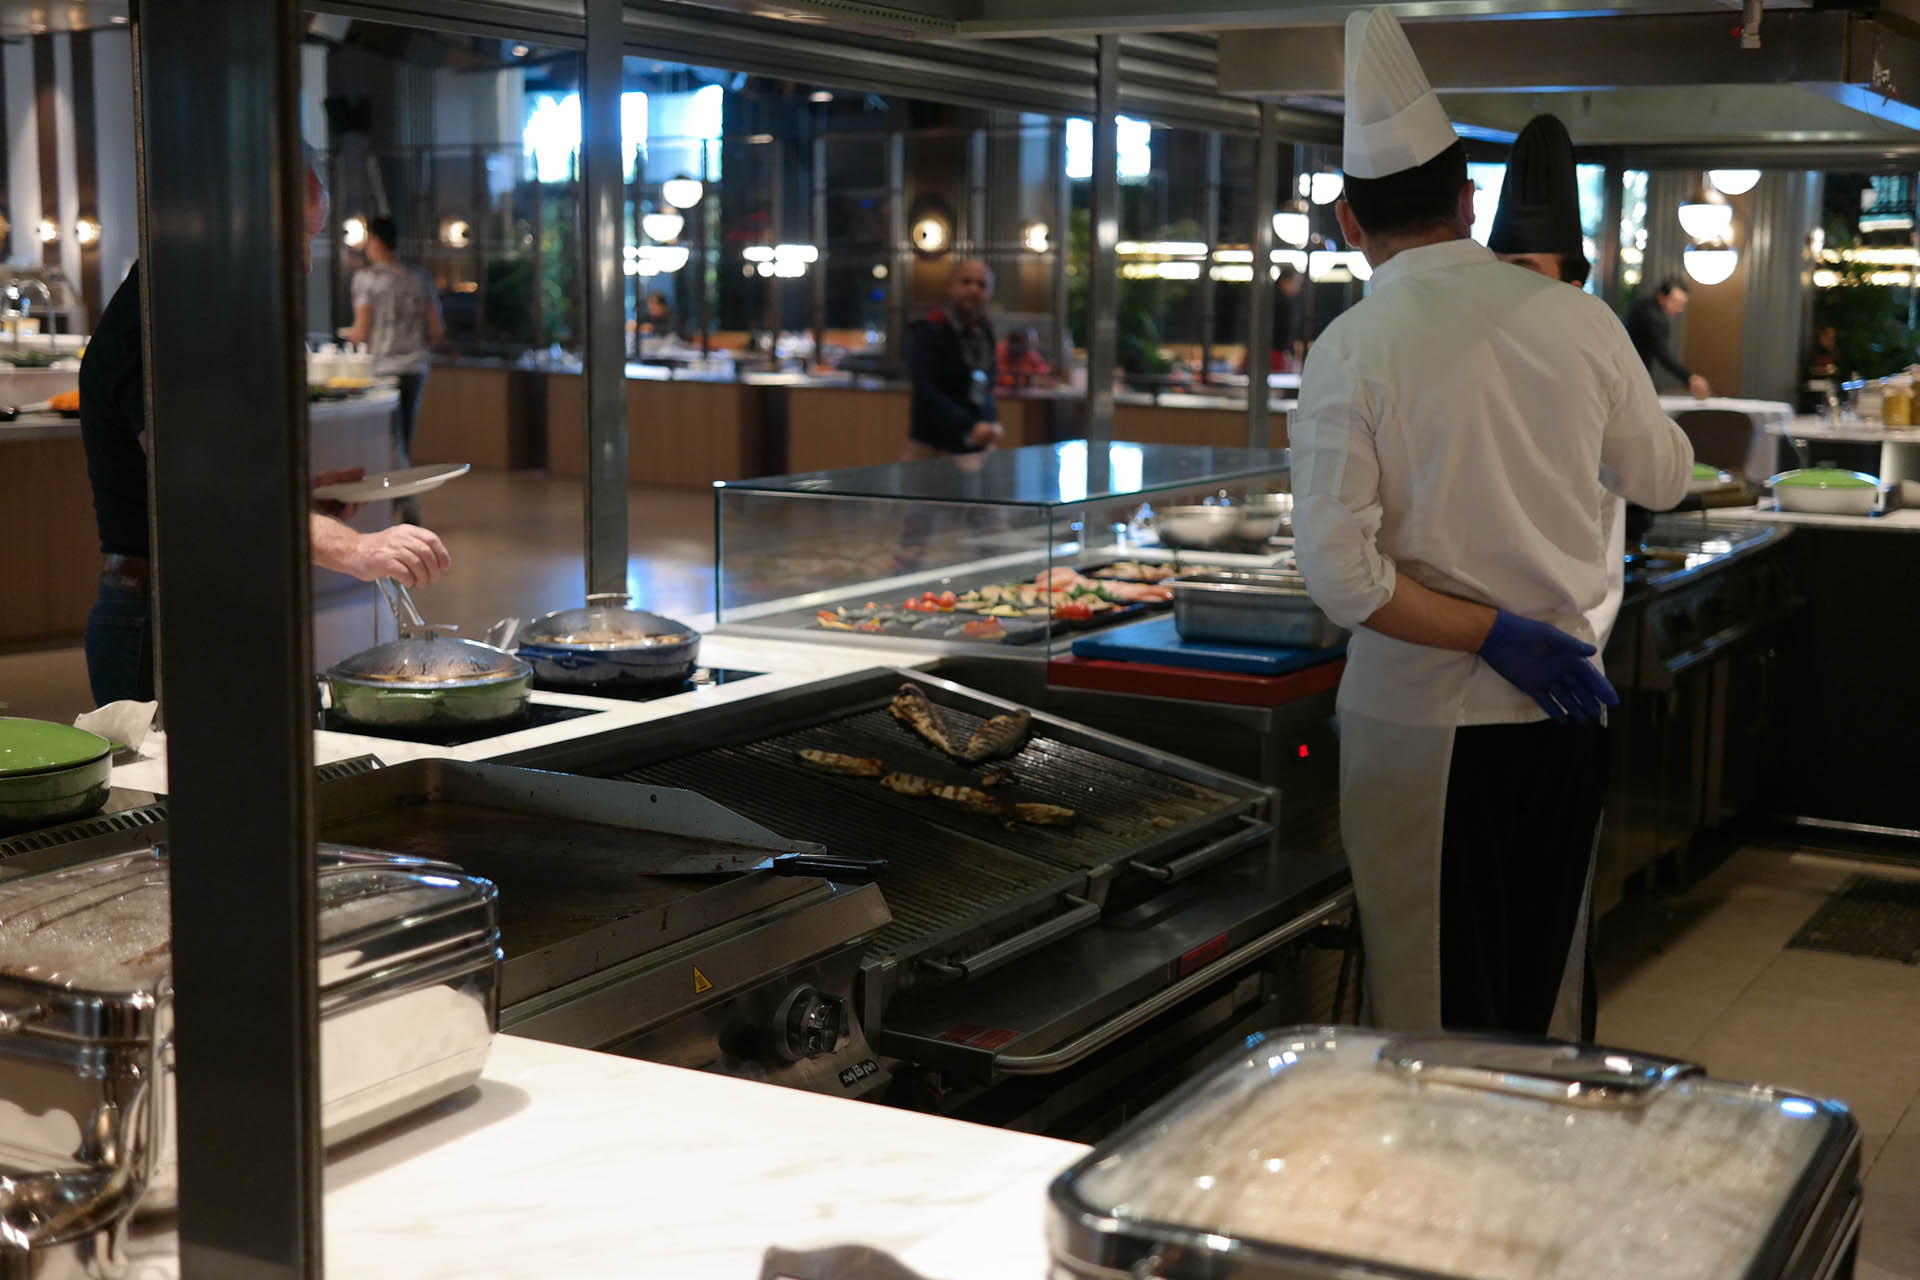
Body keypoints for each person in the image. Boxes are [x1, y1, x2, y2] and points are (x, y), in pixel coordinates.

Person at [1289, 9, 1693, 1038]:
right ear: (1469, 200)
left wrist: (1483, 632)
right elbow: (1664, 476)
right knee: (1543, 990)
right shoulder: (1583, 318)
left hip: (1419, 724)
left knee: (1430, 1008)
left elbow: (1342, 578)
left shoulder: (1352, 347)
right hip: (1565, 704)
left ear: (1349, 224)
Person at [80, 155, 451, 707]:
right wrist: (354, 548)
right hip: (160, 615)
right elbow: (213, 492)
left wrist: (298, 499)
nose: (304, 264)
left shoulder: (195, 318)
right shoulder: (156, 327)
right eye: (295, 237)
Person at [1487, 112, 1619, 1041]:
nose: (1514, 294)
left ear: (1576, 280)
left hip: (1569, 676)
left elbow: (1643, 488)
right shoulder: (1468, 355)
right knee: (1484, 943)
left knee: (1549, 936)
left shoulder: (1595, 351)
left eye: (1529, 272)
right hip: (1471, 682)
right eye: (1502, 272)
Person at [342, 216, 444, 524]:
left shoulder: (366, 279)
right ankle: (393, 506)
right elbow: (436, 329)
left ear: (375, 240)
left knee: (392, 441)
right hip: (416, 367)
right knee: (403, 439)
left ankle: (409, 509)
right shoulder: (419, 277)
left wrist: (345, 334)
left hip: (384, 369)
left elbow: (361, 330)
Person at [905, 259, 1002, 460]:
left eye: (982, 284)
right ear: (950, 287)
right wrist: (969, 425)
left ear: (990, 292)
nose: (973, 289)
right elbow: (925, 390)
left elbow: (987, 384)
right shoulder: (929, 329)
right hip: (932, 446)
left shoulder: (986, 331)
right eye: (966, 282)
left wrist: (988, 423)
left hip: (976, 444)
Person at [1626, 276, 1710, 399]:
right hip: (1631, 372)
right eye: (1676, 303)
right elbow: (1663, 354)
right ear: (1661, 297)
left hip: (1631, 370)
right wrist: (1689, 377)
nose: (1679, 309)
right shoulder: (1653, 317)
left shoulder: (1643, 306)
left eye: (1682, 305)